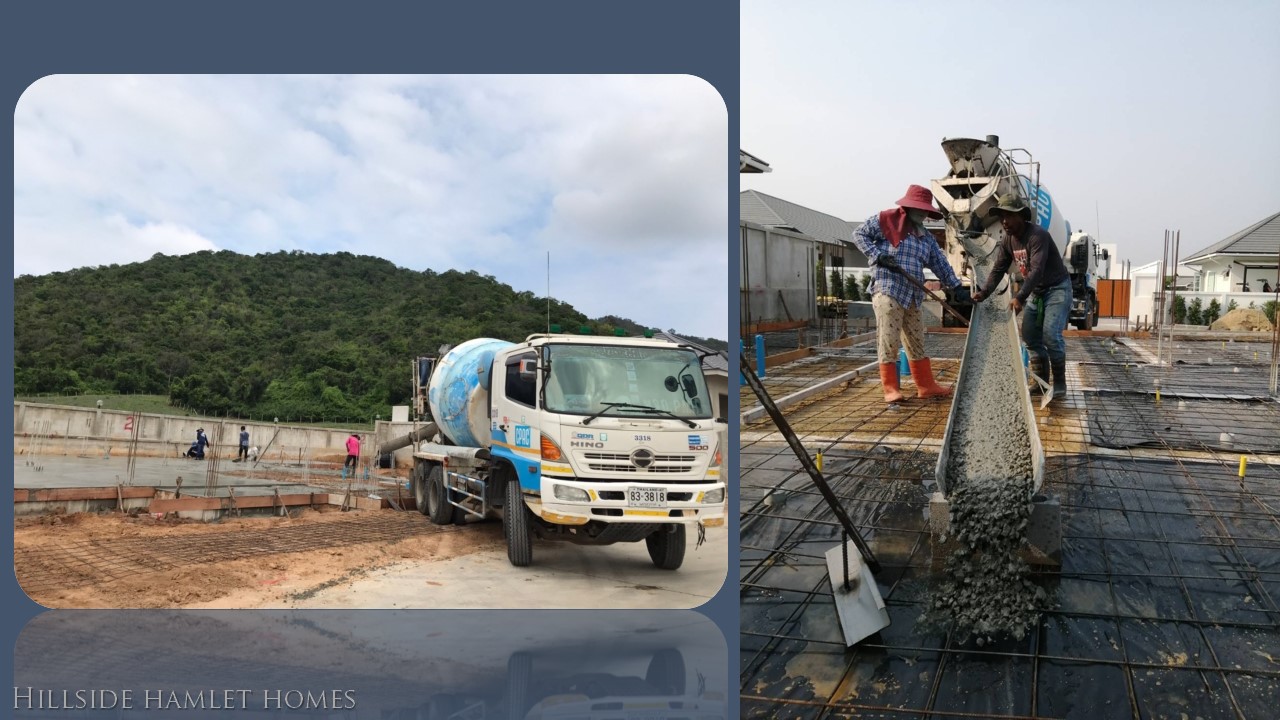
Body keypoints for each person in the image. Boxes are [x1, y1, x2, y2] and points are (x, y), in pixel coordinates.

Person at [853, 184, 966, 403]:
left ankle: (926, 386)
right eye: (919, 209)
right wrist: (878, 256)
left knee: (916, 340)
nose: (923, 213)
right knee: (889, 339)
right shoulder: (885, 221)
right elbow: (859, 235)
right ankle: (891, 389)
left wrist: (956, 287)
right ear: (907, 207)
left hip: (913, 294)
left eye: (926, 210)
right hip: (888, 289)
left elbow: (940, 263)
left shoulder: (926, 238)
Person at [972, 194, 1072, 398]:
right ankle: (1041, 383)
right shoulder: (1008, 240)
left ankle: (1060, 384)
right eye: (1002, 217)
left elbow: (1036, 270)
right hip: (1037, 291)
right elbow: (999, 268)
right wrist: (984, 292)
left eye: (1009, 216)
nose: (1004, 221)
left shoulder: (1038, 236)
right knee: (1030, 336)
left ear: (1021, 216)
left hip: (1057, 288)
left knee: (1051, 335)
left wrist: (1020, 296)